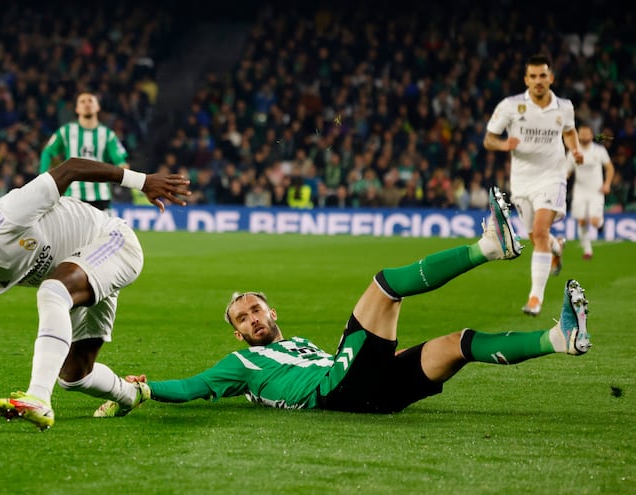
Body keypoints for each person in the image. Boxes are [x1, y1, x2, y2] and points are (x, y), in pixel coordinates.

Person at [95, 188, 592, 417]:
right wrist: (144, 390)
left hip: (369, 394)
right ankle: (490, 247)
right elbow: (193, 386)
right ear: (239, 334)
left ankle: (559, 338)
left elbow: (353, 364)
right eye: (242, 318)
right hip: (337, 392)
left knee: (457, 344)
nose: (250, 318)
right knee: (383, 286)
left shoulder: (305, 346)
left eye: (255, 309)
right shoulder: (241, 363)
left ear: (272, 313)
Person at [0, 157, 190, 430]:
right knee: (74, 376)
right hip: (80, 274)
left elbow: (71, 168)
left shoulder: (9, 214)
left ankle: (38, 398)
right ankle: (131, 394)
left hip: (112, 243)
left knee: (52, 291)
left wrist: (142, 182)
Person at [484, 54, 584, 316]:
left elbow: (570, 132)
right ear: (526, 79)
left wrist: (574, 151)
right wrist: (504, 145)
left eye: (543, 76)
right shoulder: (510, 106)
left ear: (551, 78)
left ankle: (534, 299)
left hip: (552, 176)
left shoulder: (564, 107)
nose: (539, 81)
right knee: (535, 236)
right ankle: (556, 246)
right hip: (522, 182)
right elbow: (488, 139)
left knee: (539, 231)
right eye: (533, 76)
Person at [40, 92, 130, 211]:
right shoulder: (66, 131)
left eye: (90, 101)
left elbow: (120, 161)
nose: (87, 104)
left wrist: (123, 170)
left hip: (101, 196)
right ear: (77, 109)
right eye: (82, 101)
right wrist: (42, 179)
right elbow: (48, 152)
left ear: (98, 107)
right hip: (73, 194)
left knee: (101, 230)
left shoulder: (108, 134)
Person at [566, 124, 614, 259]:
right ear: (578, 135)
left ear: (591, 135)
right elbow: (567, 171)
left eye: (587, 134)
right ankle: (588, 251)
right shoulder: (573, 152)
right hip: (580, 190)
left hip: (596, 191)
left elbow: (610, 168)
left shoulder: (599, 151)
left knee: (593, 221)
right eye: (581, 133)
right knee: (581, 221)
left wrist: (607, 184)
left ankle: (600, 225)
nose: (584, 136)